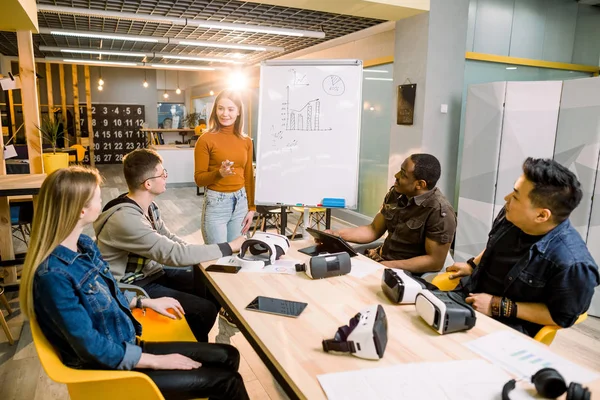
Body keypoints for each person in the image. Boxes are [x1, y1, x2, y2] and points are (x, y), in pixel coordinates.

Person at [20, 167, 249, 400]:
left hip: (126, 343)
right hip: (109, 368)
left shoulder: (84, 246)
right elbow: (91, 347)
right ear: (81, 210)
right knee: (229, 381)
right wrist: (158, 361)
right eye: (98, 197)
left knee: (228, 355)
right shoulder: (54, 276)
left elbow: (103, 294)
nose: (103, 200)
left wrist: (142, 301)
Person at [94, 149, 245, 343]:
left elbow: (169, 238)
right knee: (203, 310)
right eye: (162, 173)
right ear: (148, 184)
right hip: (132, 286)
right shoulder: (126, 218)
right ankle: (194, 351)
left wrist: (195, 254)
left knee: (212, 288)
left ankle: (192, 339)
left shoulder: (146, 206)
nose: (166, 176)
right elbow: (173, 254)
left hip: (152, 273)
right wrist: (229, 246)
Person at [446, 158, 599, 337]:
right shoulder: (512, 215)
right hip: (465, 297)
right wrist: (472, 265)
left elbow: (562, 316)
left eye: (516, 196)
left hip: (506, 328)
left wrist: (499, 306)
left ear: (542, 215)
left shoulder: (573, 264)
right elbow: (495, 243)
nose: (507, 198)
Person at [326, 153, 456, 275]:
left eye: (403, 174)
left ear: (420, 184)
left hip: (404, 273)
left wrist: (386, 266)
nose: (396, 175)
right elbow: (373, 230)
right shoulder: (397, 194)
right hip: (380, 260)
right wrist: (337, 235)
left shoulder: (439, 211)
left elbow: (434, 262)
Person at [194, 90, 255, 244]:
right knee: (217, 258)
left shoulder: (246, 141)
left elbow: (248, 176)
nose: (225, 114)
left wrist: (251, 208)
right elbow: (199, 179)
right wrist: (219, 173)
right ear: (215, 110)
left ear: (239, 111)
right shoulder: (205, 139)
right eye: (220, 108)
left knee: (234, 256)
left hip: (241, 202)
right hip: (217, 204)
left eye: (230, 109)